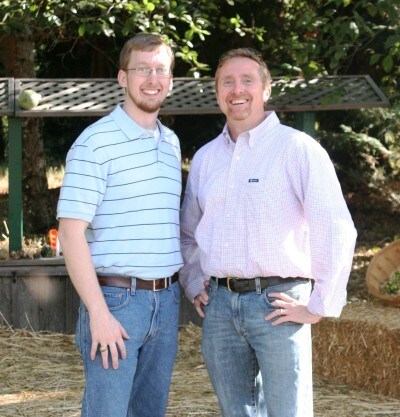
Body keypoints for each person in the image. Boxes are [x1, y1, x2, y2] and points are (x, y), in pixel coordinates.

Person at [179, 48, 357, 417]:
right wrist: (194, 281)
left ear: (266, 89)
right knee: (237, 412)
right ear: (217, 92)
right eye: (227, 81)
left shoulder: (297, 148)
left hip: (279, 304)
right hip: (221, 307)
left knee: (288, 412)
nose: (237, 89)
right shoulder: (206, 158)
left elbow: (335, 226)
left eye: (247, 80)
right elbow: (189, 232)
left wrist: (318, 305)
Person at [57, 33, 183, 417]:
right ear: (122, 78)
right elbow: (70, 231)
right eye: (142, 69)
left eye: (160, 70)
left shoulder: (172, 143)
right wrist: (98, 312)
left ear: (171, 81)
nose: (152, 78)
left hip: (167, 302)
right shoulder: (95, 143)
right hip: (117, 302)